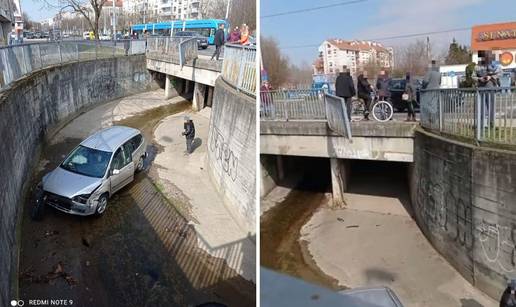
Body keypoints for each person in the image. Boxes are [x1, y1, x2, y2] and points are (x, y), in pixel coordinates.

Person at [473, 51, 501, 127]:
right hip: (481, 89)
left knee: (491, 107)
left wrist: (491, 77)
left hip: (491, 88)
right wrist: (479, 79)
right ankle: (481, 124)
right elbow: (473, 76)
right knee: (481, 107)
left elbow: (500, 73)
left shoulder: (493, 65)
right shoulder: (477, 66)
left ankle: (491, 123)